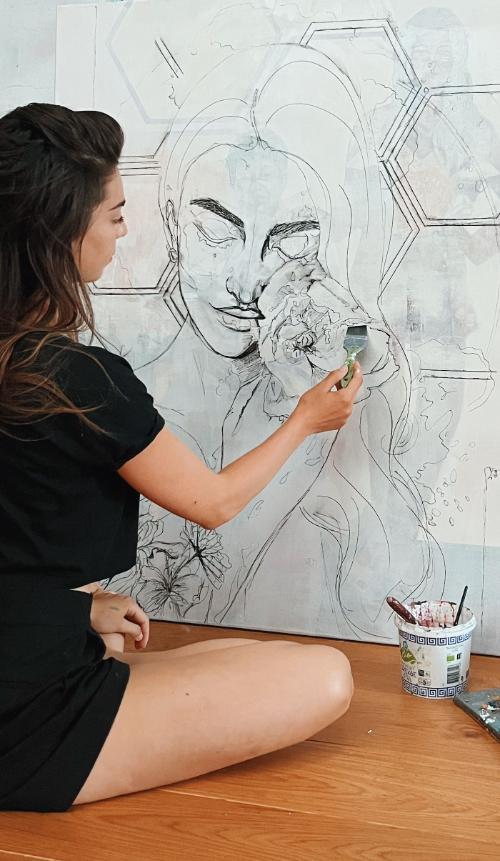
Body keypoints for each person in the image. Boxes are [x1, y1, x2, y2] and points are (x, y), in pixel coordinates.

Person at [0, 104, 358, 812]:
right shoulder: (77, 380)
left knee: (266, 658)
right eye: (115, 216)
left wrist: (77, 613)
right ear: (61, 233)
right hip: (18, 725)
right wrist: (306, 420)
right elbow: (212, 502)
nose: (123, 234)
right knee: (329, 676)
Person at [128, 44, 442, 639]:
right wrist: (296, 425)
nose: (246, 282)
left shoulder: (357, 374)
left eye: (292, 240)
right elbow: (185, 581)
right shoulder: (124, 395)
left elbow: (395, 594)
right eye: (215, 231)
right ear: (170, 220)